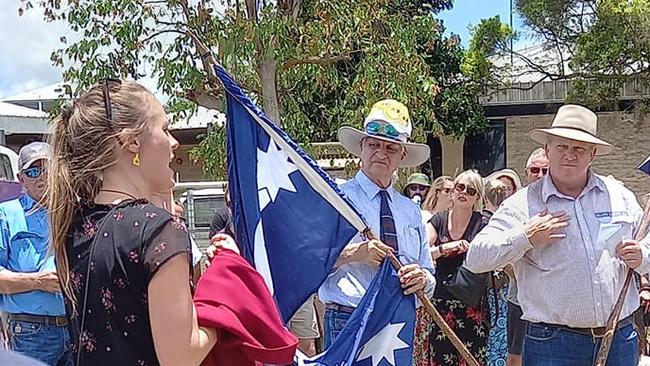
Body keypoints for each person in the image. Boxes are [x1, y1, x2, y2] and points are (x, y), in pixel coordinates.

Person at [46, 80, 226, 365]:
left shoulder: (72, 225)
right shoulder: (158, 231)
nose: (174, 142)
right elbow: (181, 357)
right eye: (165, 129)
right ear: (132, 142)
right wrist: (225, 306)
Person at [466, 104, 649, 365]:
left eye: (579, 148)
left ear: (593, 154)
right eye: (562, 146)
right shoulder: (522, 204)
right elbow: (476, 258)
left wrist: (643, 256)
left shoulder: (619, 196)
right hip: (552, 344)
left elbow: (648, 244)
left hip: (619, 336)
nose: (570, 155)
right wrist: (525, 237)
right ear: (547, 150)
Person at [319, 99, 436, 347]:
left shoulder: (411, 211)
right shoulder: (337, 199)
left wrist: (422, 279)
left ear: (402, 155)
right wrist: (354, 253)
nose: (381, 153)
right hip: (348, 318)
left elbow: (428, 269)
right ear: (362, 147)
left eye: (391, 148)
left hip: (396, 323)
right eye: (374, 144)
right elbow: (310, 259)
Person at [0, 142, 72, 366]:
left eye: (47, 169)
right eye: (33, 171)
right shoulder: (6, 214)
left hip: (76, 327)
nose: (42, 176)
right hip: (30, 332)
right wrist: (39, 281)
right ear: (21, 178)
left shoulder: (72, 211)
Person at [413, 169, 488, 365]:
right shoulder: (438, 220)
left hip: (472, 303)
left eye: (471, 190)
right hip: (439, 301)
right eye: (459, 187)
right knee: (438, 359)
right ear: (452, 191)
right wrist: (445, 249)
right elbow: (422, 254)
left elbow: (492, 256)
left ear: (477, 197)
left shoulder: (484, 224)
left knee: (471, 359)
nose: (463, 192)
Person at [506, 148, 549, 366]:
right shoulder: (514, 207)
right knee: (516, 355)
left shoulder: (562, 202)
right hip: (519, 297)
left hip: (552, 305)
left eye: (545, 170)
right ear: (526, 173)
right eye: (535, 170)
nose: (540, 175)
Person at [482, 178, 510, 366]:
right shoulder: (509, 221)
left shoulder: (486, 223)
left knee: (495, 336)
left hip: (494, 289)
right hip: (502, 288)